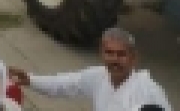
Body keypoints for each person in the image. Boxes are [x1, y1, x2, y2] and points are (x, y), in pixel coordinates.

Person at [10, 27, 171, 110]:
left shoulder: (149, 91)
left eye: (121, 54)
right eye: (109, 53)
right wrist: (30, 80)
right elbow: (64, 84)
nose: (114, 60)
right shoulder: (98, 77)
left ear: (133, 58)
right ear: (101, 54)